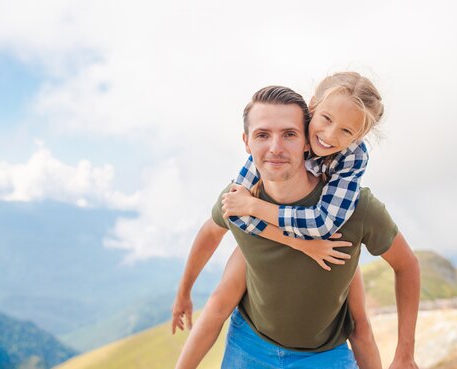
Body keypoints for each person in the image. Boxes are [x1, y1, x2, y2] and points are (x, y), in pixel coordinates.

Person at [173, 84, 420, 368]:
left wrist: (405, 353)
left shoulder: (356, 209)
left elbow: (406, 265)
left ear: (304, 140)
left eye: (289, 134)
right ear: (246, 142)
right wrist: (183, 292)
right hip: (249, 347)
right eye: (262, 135)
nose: (276, 148)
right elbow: (210, 232)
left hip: (325, 357)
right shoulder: (242, 195)